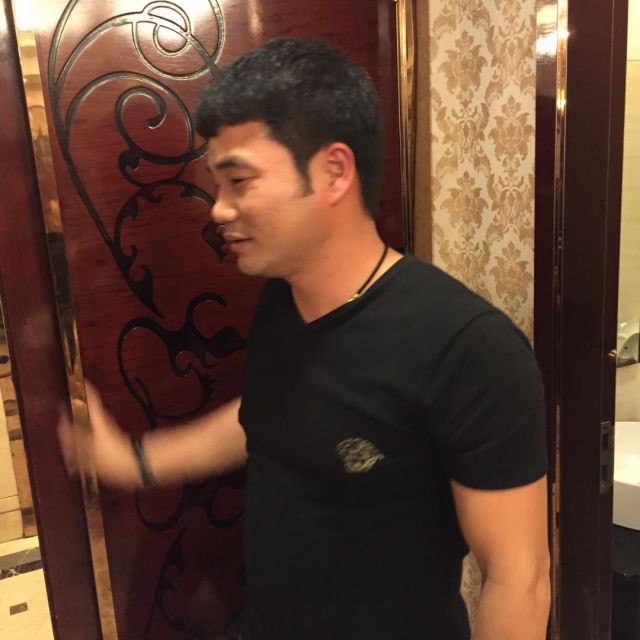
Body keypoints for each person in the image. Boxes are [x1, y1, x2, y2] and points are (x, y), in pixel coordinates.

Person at [59, 37, 550, 640]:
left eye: (240, 181)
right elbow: (271, 413)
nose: (218, 209)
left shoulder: (468, 348)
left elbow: (519, 579)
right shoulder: (282, 297)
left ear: (333, 172)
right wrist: (135, 462)